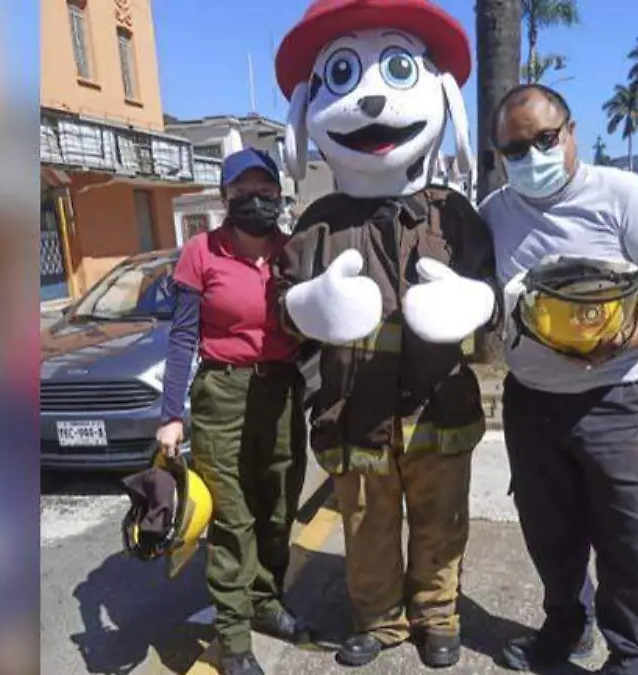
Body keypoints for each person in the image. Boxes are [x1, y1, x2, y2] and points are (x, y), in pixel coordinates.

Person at [272, 0, 497, 668]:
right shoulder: (317, 222)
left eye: (397, 69)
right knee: (366, 526)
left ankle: (437, 615)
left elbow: (491, 293)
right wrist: (309, 304)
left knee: (441, 521)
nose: (371, 101)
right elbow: (283, 307)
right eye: (345, 74)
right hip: (353, 412)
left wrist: (472, 300)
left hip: (438, 408)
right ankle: (380, 619)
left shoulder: (454, 214)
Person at [479, 84, 638, 675]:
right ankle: (567, 627)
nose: (532, 155)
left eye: (545, 139)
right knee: (550, 529)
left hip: (619, 399)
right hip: (531, 401)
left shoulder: (624, 195)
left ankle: (633, 655)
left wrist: (627, 336)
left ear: (571, 131)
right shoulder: (496, 213)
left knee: (630, 532)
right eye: (515, 148)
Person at [155, 148, 309, 675]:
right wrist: (170, 413)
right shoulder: (200, 252)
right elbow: (182, 339)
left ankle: (267, 601)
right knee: (233, 518)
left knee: (278, 505)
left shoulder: (292, 253)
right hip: (221, 393)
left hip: (282, 390)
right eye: (244, 192)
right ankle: (234, 639)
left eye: (266, 191)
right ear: (224, 197)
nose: (257, 201)